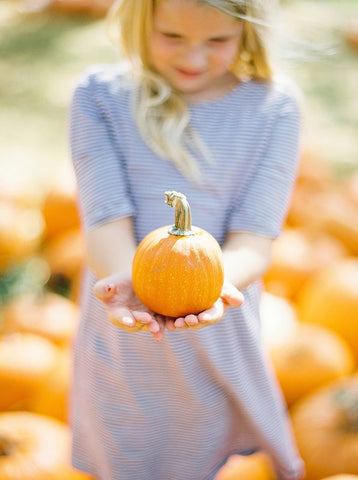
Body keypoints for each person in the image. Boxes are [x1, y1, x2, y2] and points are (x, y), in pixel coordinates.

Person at [69, 0, 305, 478]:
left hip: (220, 321)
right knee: (128, 453)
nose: (193, 59)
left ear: (247, 31)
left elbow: (254, 242)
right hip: (127, 329)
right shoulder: (99, 98)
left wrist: (207, 286)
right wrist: (129, 283)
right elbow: (105, 222)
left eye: (217, 41)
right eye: (172, 37)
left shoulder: (274, 109)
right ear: (141, 20)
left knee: (209, 450)